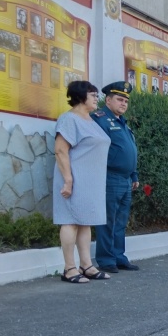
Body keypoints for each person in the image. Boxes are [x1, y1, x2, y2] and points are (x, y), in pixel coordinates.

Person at [53, 81, 112, 283]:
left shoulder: (91, 120)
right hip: (75, 179)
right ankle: (69, 269)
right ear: (80, 95)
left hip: (91, 182)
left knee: (85, 222)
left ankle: (86, 265)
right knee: (70, 221)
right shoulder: (69, 119)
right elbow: (61, 150)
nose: (97, 98)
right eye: (93, 94)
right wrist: (68, 180)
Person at [92, 81, 141, 273]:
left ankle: (119, 257)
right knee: (107, 221)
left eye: (126, 101)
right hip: (109, 177)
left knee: (121, 222)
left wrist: (134, 174)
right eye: (119, 100)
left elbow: (130, 151)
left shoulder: (123, 123)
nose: (123, 104)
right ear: (108, 100)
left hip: (125, 179)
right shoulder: (99, 119)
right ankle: (106, 260)